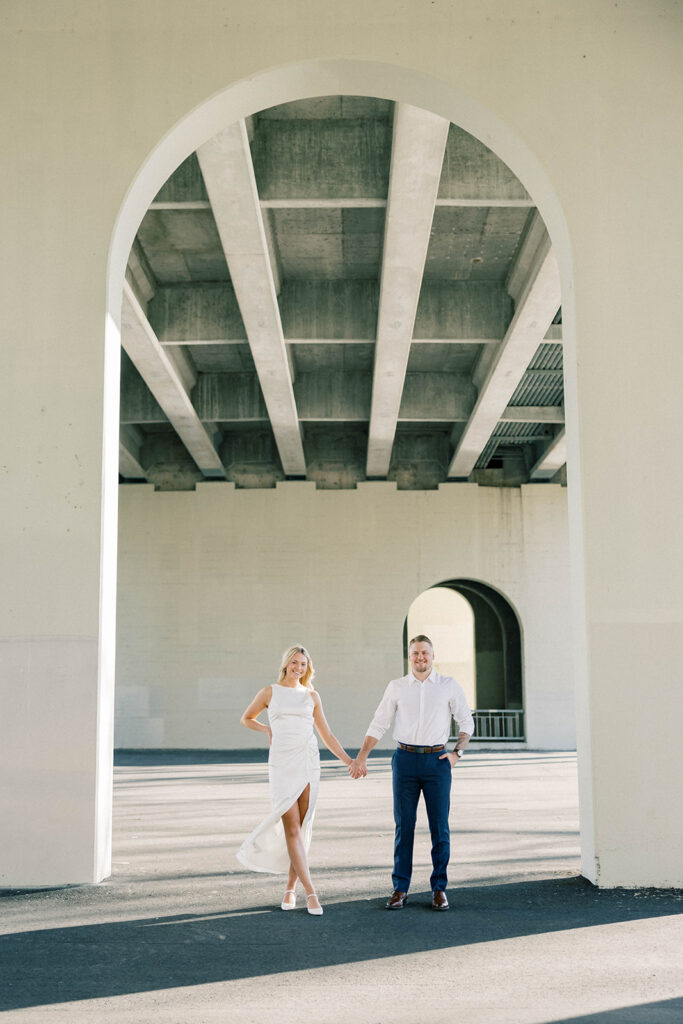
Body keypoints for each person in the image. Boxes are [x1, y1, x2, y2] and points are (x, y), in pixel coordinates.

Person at [348, 634, 474, 911]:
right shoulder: (397, 687)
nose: (421, 658)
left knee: (439, 828)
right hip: (404, 759)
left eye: (425, 653)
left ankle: (439, 888)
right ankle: (400, 888)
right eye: (415, 653)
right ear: (409, 656)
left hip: (437, 762)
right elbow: (379, 723)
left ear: (433, 655)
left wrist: (457, 754)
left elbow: (466, 720)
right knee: (403, 826)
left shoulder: (448, 686)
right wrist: (361, 758)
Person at [237, 644, 353, 916]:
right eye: (295, 663)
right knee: (290, 828)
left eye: (303, 664)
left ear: (307, 668)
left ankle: (290, 887)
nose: (298, 668)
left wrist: (350, 761)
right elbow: (246, 718)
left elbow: (327, 735)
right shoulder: (269, 692)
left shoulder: (312, 696)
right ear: (286, 664)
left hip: (307, 761)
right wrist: (267, 728)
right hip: (281, 763)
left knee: (300, 829)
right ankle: (311, 892)